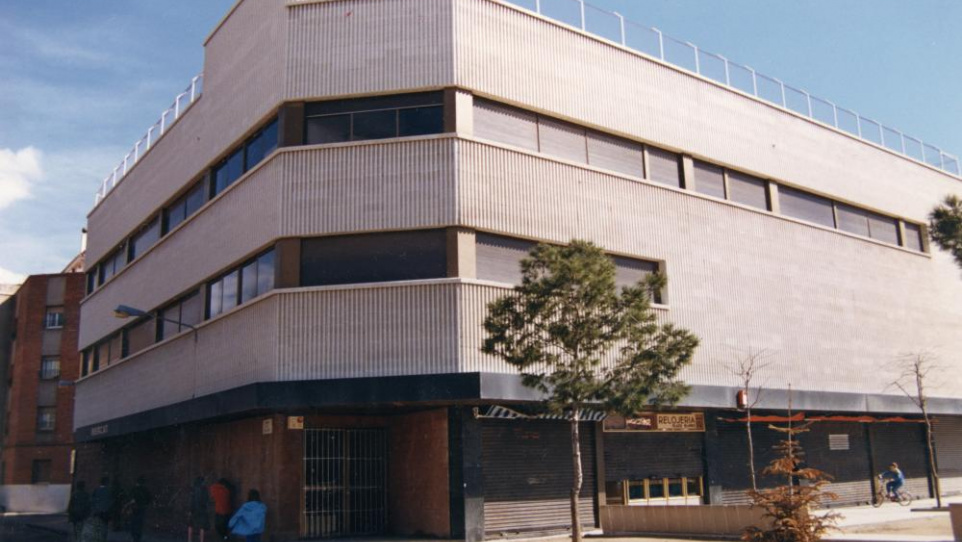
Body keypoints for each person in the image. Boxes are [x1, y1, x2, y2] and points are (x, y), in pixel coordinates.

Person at [83, 476, 114, 542]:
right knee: (104, 530)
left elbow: (92, 501)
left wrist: (94, 510)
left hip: (97, 513)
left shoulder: (96, 490)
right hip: (105, 513)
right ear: (107, 482)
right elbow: (110, 502)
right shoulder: (109, 491)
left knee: (97, 529)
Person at [126, 476, 153, 542]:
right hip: (142, 507)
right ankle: (138, 537)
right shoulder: (145, 489)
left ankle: (134, 536)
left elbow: (130, 498)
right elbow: (149, 499)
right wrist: (145, 504)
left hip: (134, 508)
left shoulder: (134, 489)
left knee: (134, 522)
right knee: (140, 523)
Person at [189, 476, 210, 542]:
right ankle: (201, 540)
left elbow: (191, 500)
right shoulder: (204, 489)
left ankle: (189, 540)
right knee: (202, 526)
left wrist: (190, 509)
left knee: (190, 525)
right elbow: (206, 500)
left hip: (194, 509)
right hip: (202, 510)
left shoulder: (193, 489)